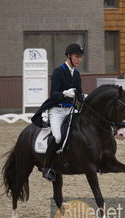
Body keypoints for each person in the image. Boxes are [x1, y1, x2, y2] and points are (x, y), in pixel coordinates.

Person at [31, 43, 85, 181]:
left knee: (78, 133)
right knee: (58, 137)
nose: (79, 60)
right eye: (76, 57)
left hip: (71, 110)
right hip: (57, 111)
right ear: (69, 56)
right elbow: (53, 94)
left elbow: (78, 95)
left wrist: (85, 98)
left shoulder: (77, 74)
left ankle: (68, 160)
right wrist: (64, 93)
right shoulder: (58, 71)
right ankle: (46, 167)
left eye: (80, 57)